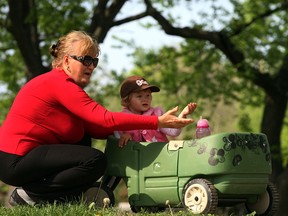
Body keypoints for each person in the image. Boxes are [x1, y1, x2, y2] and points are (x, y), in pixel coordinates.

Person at [0, 30, 195, 206]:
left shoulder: (64, 86)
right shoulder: (59, 83)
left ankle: (60, 197)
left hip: (26, 159)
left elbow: (99, 127)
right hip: (16, 160)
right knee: (95, 160)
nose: (91, 66)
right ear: (66, 61)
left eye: (94, 61)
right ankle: (32, 195)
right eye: (85, 59)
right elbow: (104, 119)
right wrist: (156, 122)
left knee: (83, 138)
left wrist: (130, 130)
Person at [114, 76, 197, 147]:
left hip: (161, 160)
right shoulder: (121, 120)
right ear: (127, 101)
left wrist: (182, 115)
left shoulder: (157, 114)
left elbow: (174, 132)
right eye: (139, 96)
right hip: (136, 162)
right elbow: (117, 144)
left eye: (148, 95)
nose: (145, 99)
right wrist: (125, 137)